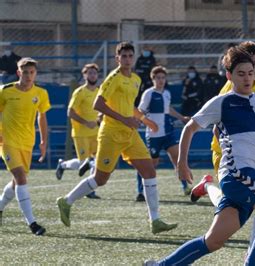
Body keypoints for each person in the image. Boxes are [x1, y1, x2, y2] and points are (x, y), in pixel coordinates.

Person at [144, 44, 255, 266]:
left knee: (213, 241)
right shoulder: (223, 102)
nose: (247, 78)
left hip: (249, 176)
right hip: (238, 173)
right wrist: (182, 162)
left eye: (250, 73)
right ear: (229, 75)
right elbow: (190, 127)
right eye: (240, 74)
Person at [56, 42, 177, 234]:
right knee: (100, 179)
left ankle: (155, 220)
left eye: (130, 55)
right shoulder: (113, 78)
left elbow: (129, 106)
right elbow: (98, 104)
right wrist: (125, 119)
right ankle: (66, 201)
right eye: (124, 56)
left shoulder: (136, 79)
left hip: (129, 134)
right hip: (111, 133)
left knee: (149, 171)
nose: (127, 59)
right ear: (117, 58)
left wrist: (143, 120)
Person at [190, 41, 255, 264]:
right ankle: (254, 253)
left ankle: (207, 186)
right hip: (228, 153)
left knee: (220, 228)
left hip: (252, 154)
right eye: (250, 65)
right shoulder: (230, 91)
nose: (252, 71)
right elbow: (217, 123)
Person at [0, 57, 50, 235]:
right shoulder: (5, 91)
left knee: (16, 183)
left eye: (32, 72)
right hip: (7, 141)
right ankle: (32, 223)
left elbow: (42, 117)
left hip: (27, 142)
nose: (29, 75)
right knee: (21, 178)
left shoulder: (41, 93)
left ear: (35, 73)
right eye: (25, 72)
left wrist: (44, 141)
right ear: (18, 73)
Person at [134, 66, 191, 202]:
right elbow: (139, 112)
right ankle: (140, 191)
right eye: (158, 78)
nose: (161, 80)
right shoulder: (148, 93)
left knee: (177, 159)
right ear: (153, 79)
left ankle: (185, 187)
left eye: (163, 78)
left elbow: (168, 109)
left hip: (168, 133)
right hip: (154, 136)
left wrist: (181, 117)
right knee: (150, 165)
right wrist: (148, 124)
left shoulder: (166, 93)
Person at [55, 63, 101, 199]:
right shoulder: (80, 92)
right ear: (84, 75)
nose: (92, 75)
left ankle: (91, 189)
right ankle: (62, 165)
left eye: (94, 73)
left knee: (96, 161)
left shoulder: (100, 91)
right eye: (89, 73)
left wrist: (98, 121)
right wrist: (86, 122)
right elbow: (70, 112)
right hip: (81, 133)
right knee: (84, 163)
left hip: (96, 132)